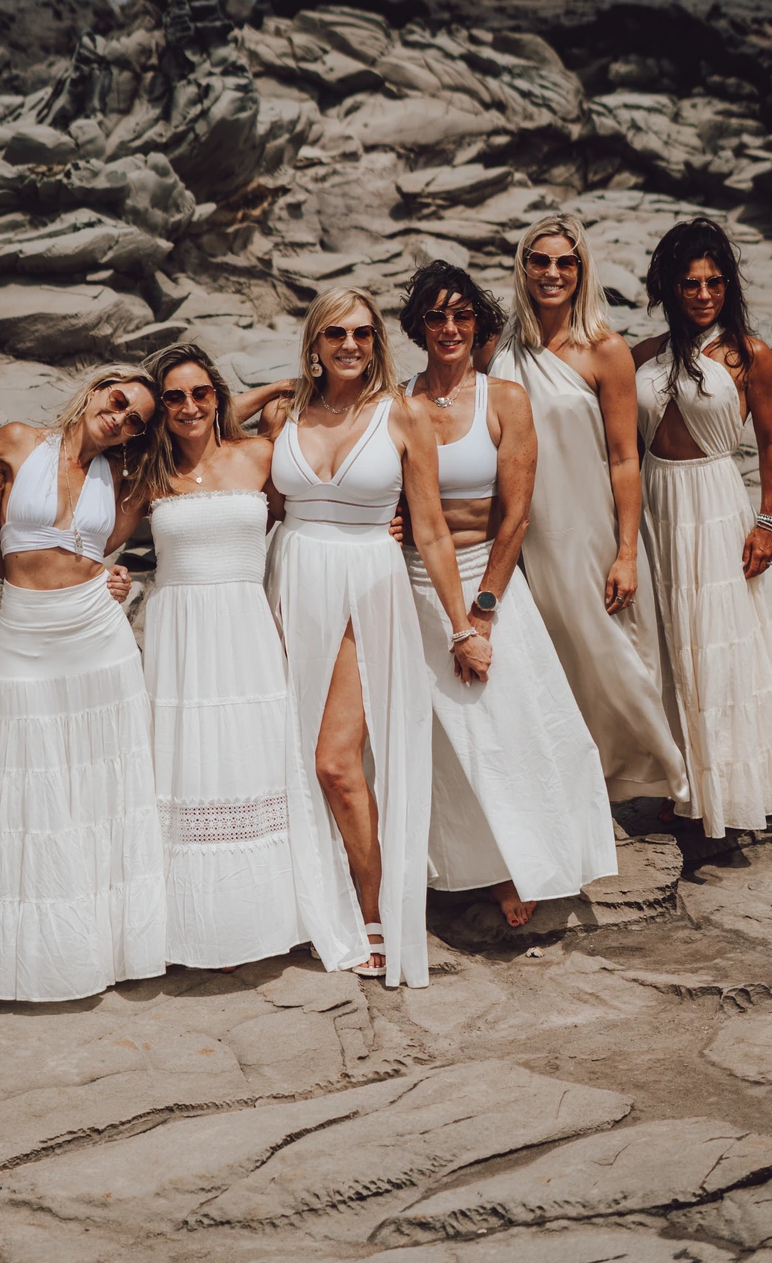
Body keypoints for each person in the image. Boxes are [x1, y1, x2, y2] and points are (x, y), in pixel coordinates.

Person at [260, 289, 490, 987]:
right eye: (335, 334)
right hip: (291, 582)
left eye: (362, 333)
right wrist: (282, 383)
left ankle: (375, 910)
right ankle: (306, 901)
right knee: (287, 755)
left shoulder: (404, 415)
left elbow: (429, 530)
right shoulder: (285, 413)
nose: (351, 345)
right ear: (316, 341)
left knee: (336, 761)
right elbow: (258, 497)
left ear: (378, 341)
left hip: (366, 588)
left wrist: (462, 626)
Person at [399, 262, 617, 927]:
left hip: (487, 579)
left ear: (478, 324)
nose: (450, 328)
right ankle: (464, 868)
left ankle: (528, 859)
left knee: (513, 724)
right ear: (418, 326)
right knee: (440, 738)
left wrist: (483, 615)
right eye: (436, 316)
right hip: (412, 581)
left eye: (462, 315)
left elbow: (516, 517)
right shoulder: (397, 400)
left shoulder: (505, 400)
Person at [633, 220, 772, 836]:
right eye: (690, 283)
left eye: (715, 282)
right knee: (668, 643)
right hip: (656, 506)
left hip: (717, 504)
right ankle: (682, 775)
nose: (703, 294)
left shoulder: (750, 354)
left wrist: (767, 523)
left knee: (721, 640)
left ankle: (730, 779)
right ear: (669, 285)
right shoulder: (642, 355)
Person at [490, 214, 688, 806]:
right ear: (523, 267)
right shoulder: (500, 345)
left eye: (565, 262)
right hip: (518, 529)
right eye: (541, 260)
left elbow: (627, 459)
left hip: (585, 528)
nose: (552, 273)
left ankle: (657, 773)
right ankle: (575, 781)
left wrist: (627, 552)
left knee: (607, 652)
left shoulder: (605, 350)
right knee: (547, 653)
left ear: (581, 271)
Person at [0, 367, 167, 1003]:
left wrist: (122, 582)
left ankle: (118, 944)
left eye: (137, 419)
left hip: (95, 629)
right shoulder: (14, 440)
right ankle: (54, 954)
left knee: (107, 782)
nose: (122, 419)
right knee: (35, 782)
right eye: (119, 402)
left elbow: (108, 551)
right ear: (95, 390)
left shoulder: (119, 478)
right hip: (26, 632)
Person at [141, 343, 309, 970]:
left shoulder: (259, 455)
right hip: (179, 632)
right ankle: (192, 925)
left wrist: (267, 395)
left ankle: (263, 916)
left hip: (245, 624)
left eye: (201, 393)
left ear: (217, 397)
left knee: (253, 756)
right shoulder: (149, 472)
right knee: (185, 763)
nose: (189, 407)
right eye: (174, 397)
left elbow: (302, 521)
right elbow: (93, 534)